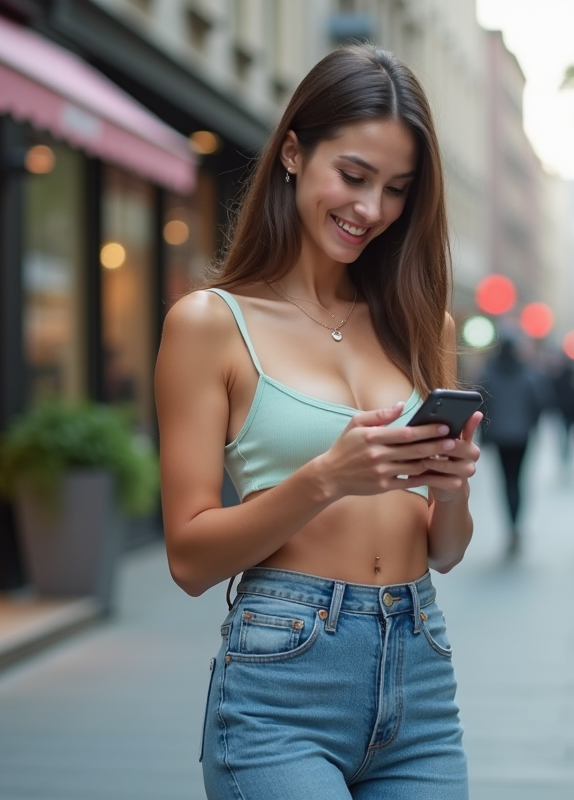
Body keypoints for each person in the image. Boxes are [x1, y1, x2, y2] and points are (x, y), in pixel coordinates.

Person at [154, 46, 481, 799]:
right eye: (355, 176)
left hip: (419, 670)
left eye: (397, 189)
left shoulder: (420, 322)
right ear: (295, 152)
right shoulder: (211, 323)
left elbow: (447, 552)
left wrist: (454, 491)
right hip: (283, 683)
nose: (372, 210)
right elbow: (190, 560)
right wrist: (328, 477)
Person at [478, 337, 549, 556]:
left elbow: (480, 404)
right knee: (518, 480)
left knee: (505, 480)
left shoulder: (488, 374)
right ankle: (516, 525)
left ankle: (510, 527)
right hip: (521, 435)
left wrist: (485, 432)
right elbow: (539, 402)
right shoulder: (527, 374)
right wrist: (531, 424)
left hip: (500, 436)